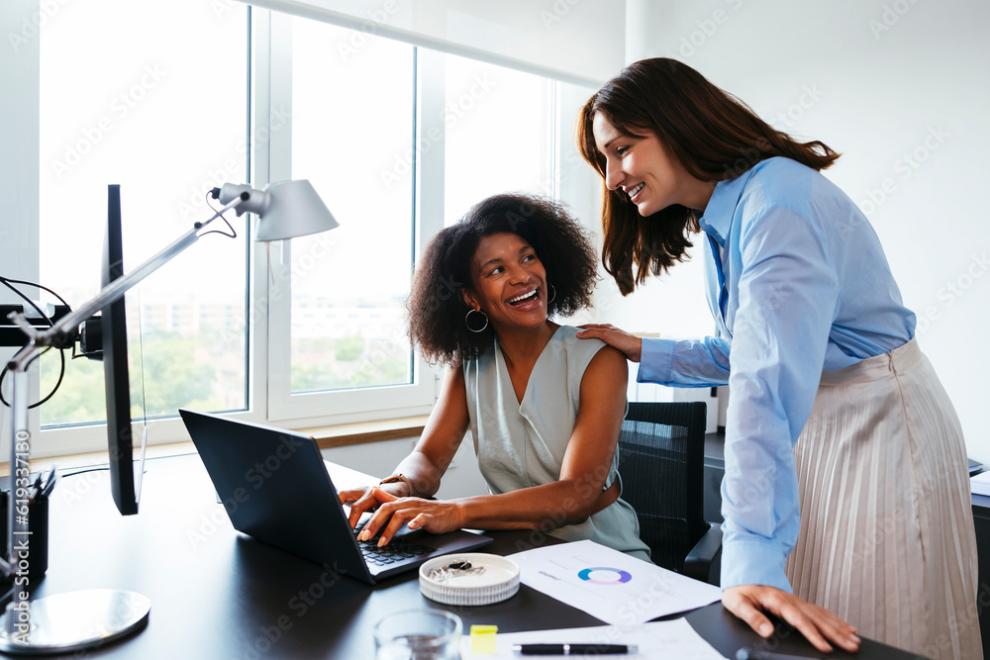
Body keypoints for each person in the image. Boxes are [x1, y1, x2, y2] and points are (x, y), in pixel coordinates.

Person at [574, 57, 979, 659]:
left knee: (877, 627)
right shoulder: (722, 216)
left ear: (679, 123)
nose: (611, 178)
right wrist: (644, 349)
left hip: (879, 428)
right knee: (810, 618)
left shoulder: (777, 207)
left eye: (623, 149)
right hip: (822, 424)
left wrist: (749, 563)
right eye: (604, 160)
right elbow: (751, 352)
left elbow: (762, 387)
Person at [339, 194, 652, 563]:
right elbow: (428, 457)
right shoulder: (468, 363)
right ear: (472, 298)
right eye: (496, 270)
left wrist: (456, 512)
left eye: (527, 257)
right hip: (510, 555)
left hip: (602, 557)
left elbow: (577, 495)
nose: (522, 276)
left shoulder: (599, 357)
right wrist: (396, 486)